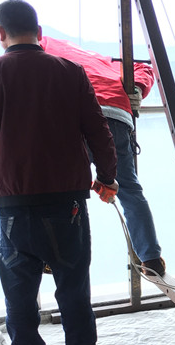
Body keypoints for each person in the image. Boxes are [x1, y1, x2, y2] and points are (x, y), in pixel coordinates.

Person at [0, 0, 120, 345]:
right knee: (73, 284)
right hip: (67, 202)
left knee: (19, 291)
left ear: (1, 33)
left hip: (13, 205)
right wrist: (108, 177)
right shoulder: (69, 72)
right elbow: (98, 131)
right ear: (40, 32)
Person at [40, 35, 165, 277]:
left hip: (76, 116)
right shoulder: (106, 62)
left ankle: (52, 256)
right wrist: (137, 89)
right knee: (130, 189)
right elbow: (144, 69)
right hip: (116, 117)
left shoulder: (45, 46)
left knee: (63, 189)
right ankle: (151, 260)